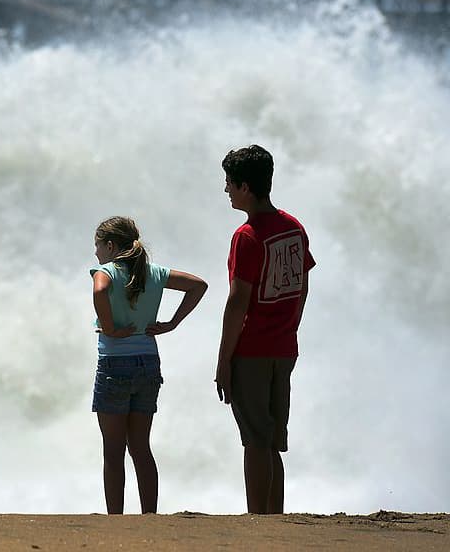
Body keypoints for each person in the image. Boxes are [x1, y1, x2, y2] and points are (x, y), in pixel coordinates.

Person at [215, 144, 316, 515]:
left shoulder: (247, 236)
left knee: (255, 440)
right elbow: (302, 287)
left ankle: (258, 521)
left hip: (252, 350)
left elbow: (237, 301)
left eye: (229, 183)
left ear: (245, 187)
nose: (226, 189)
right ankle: (275, 518)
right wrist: (290, 328)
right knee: (271, 440)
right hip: (283, 348)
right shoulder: (294, 228)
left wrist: (224, 360)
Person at [90, 216, 208, 515]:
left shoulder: (107, 271)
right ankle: (149, 517)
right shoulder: (153, 272)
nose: (95, 252)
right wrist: (172, 323)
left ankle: (115, 519)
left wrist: (110, 328)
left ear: (110, 246)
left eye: (98, 245)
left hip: (115, 364)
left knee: (113, 451)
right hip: (148, 363)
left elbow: (100, 290)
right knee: (140, 448)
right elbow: (198, 286)